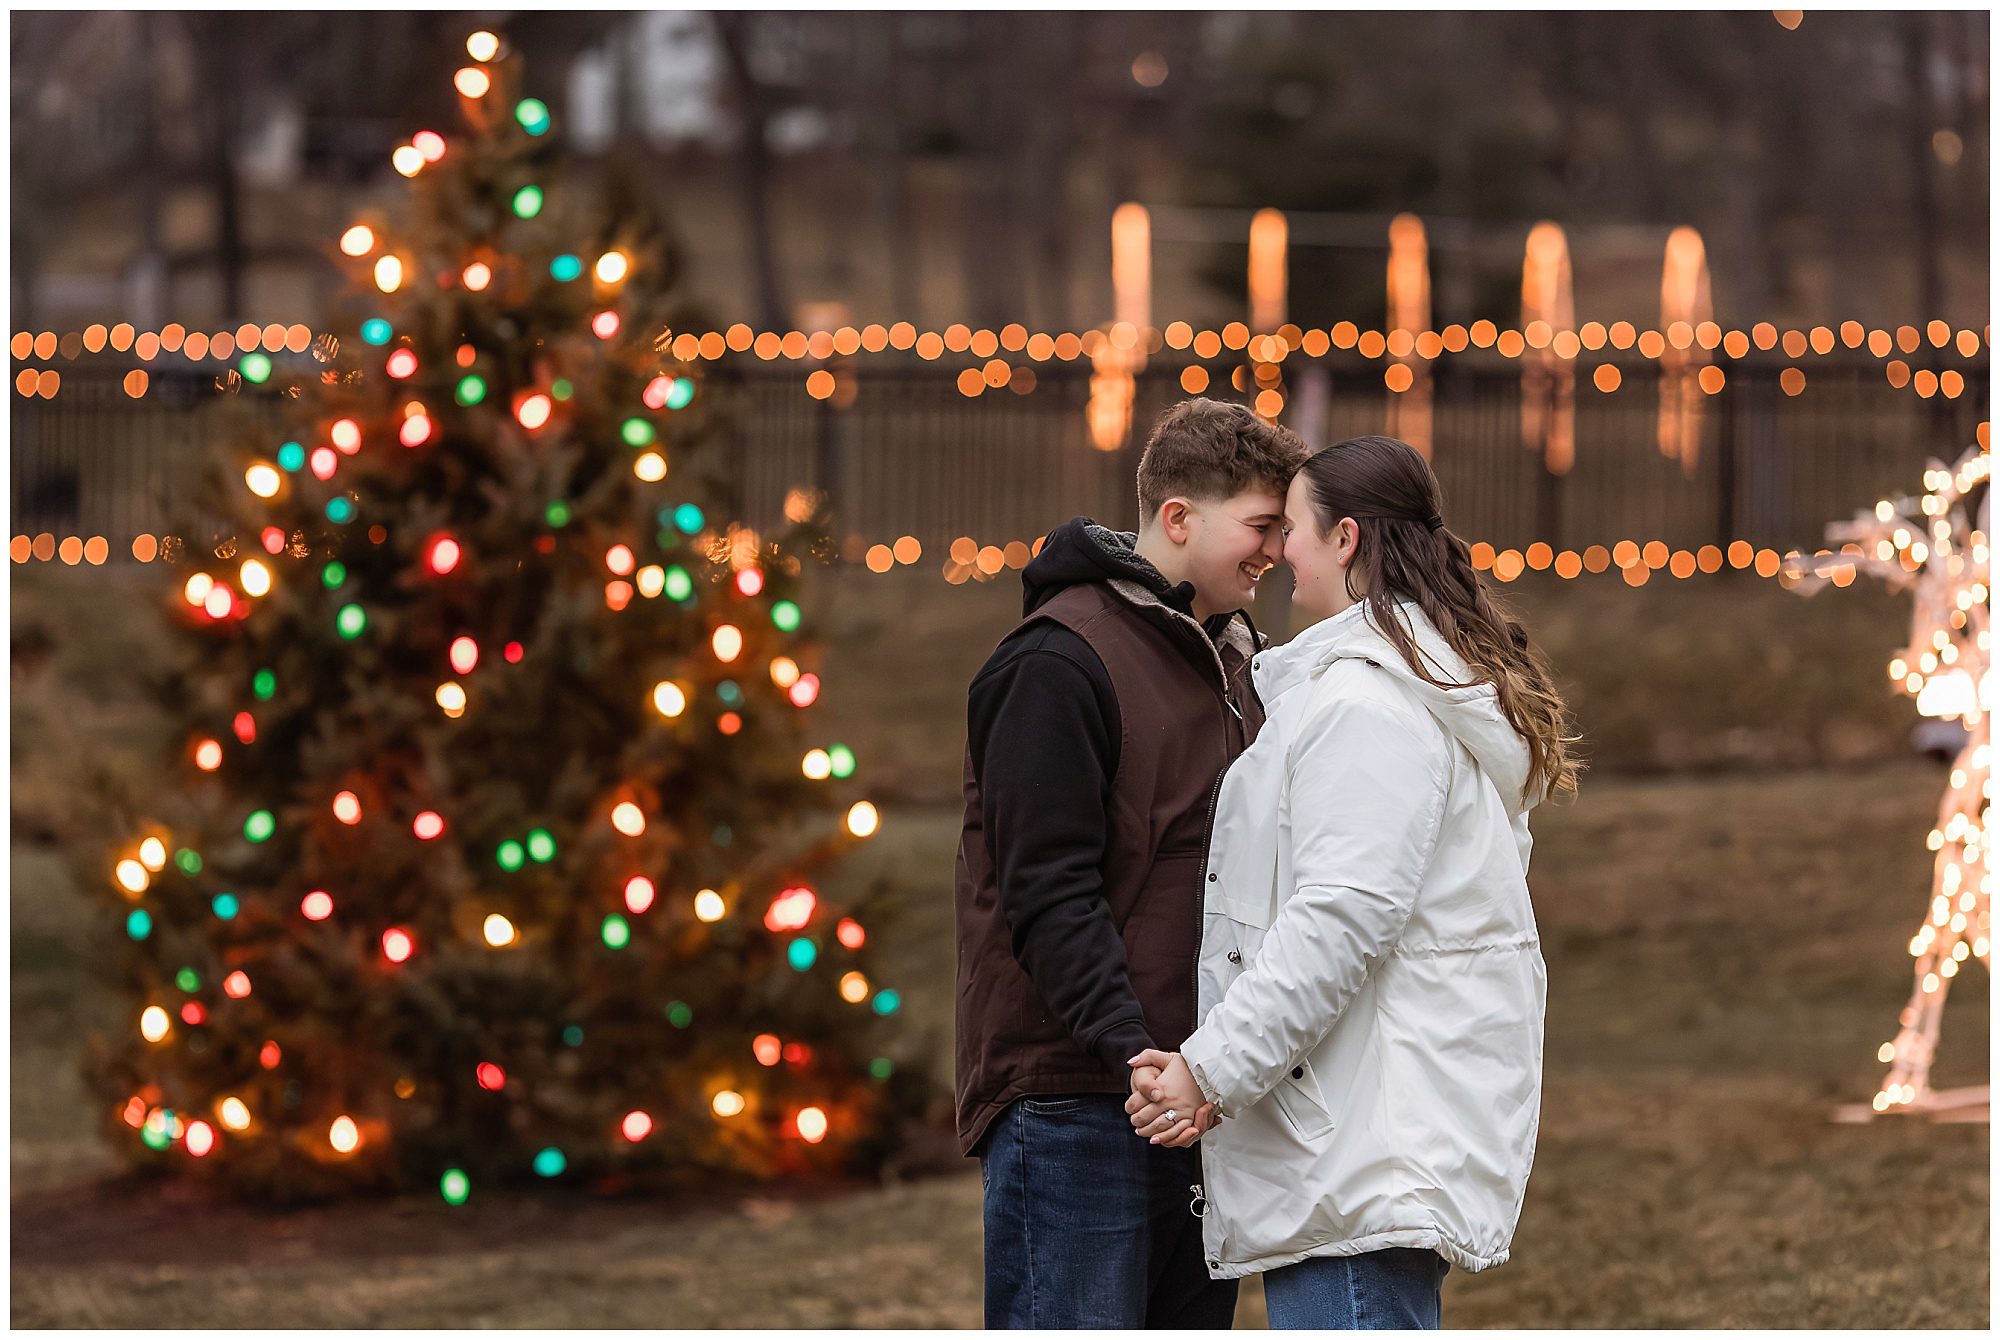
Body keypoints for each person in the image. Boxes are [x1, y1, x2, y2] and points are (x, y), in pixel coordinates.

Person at [1124, 433, 1580, 1330]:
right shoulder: (1393, 688)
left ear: (1345, 541)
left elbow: (1340, 918)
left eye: (1291, 527)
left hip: (1360, 1150)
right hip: (1362, 1134)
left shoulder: (1366, 704)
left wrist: (1208, 1073)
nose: (1277, 551)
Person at [953, 398, 1309, 1328]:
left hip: (1194, 1098)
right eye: (1262, 525)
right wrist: (1131, 1054)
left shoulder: (1238, 663)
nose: (1276, 549)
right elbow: (1046, 890)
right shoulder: (1057, 663)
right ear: (1179, 518)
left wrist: (1212, 1069)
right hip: (1077, 1097)